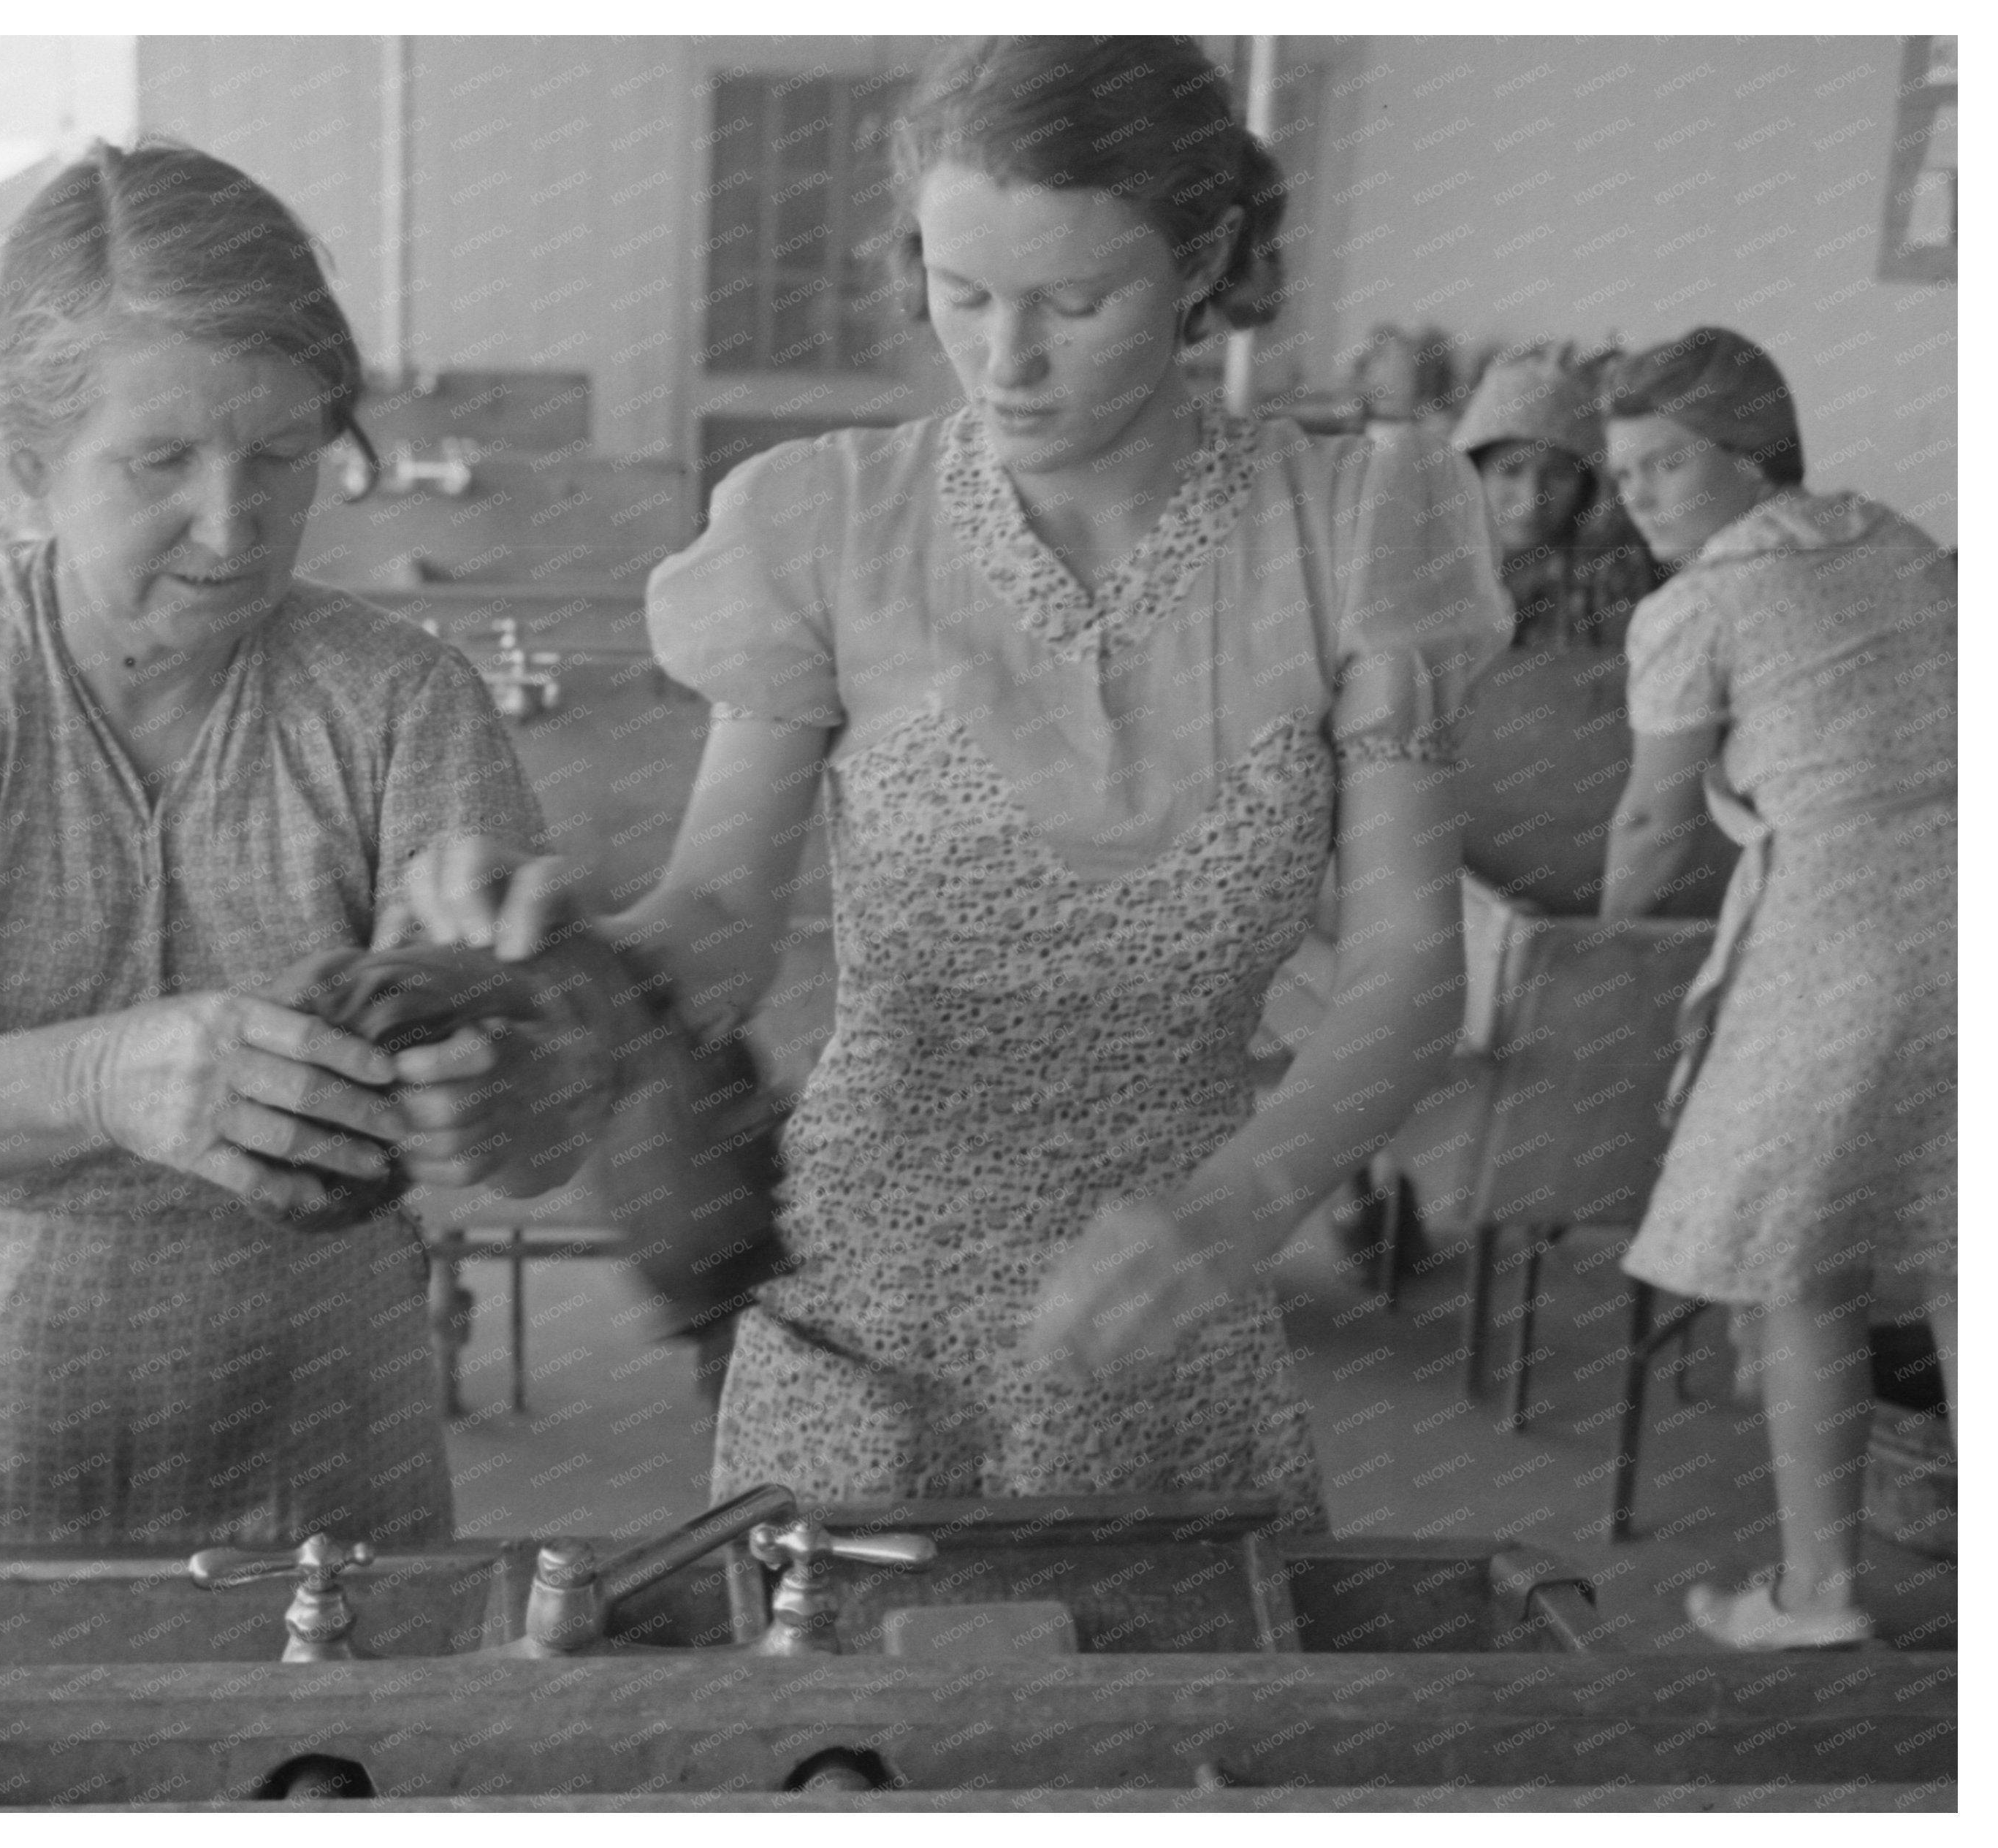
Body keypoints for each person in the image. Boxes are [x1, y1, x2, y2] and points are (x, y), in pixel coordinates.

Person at [407, 37, 1512, 1521]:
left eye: (1074, 301)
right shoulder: (828, 521)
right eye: (961, 291)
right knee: (853, 1735)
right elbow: (724, 912)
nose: (1008, 360)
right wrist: (573, 958)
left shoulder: (1355, 529)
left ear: (1206, 262)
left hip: (1171, 1296)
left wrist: (1238, 1209)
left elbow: (1407, 975)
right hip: (859, 1289)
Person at [0, 141, 568, 1551]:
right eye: (159, 460)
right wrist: (101, 1075)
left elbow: (529, 1142)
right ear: (22, 462)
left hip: (314, 1470)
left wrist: (510, 1082)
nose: (232, 525)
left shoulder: (397, 696)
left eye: (282, 454)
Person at [1599, 327, 1956, 1649]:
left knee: (1802, 1263)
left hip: (1846, 938)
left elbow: (1648, 825)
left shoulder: (1694, 609)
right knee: (1968, 1261)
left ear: (1751, 458)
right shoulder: (1897, 539)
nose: (1633, 494)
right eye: (1620, 470)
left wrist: (1601, 943)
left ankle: (1818, 1595)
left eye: (1662, 463)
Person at [1453, 345, 1656, 650]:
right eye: (1510, 470)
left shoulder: (1610, 570)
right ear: (1471, 474)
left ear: (1588, 487)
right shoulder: (1431, 569)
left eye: (1559, 475)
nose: (1532, 498)